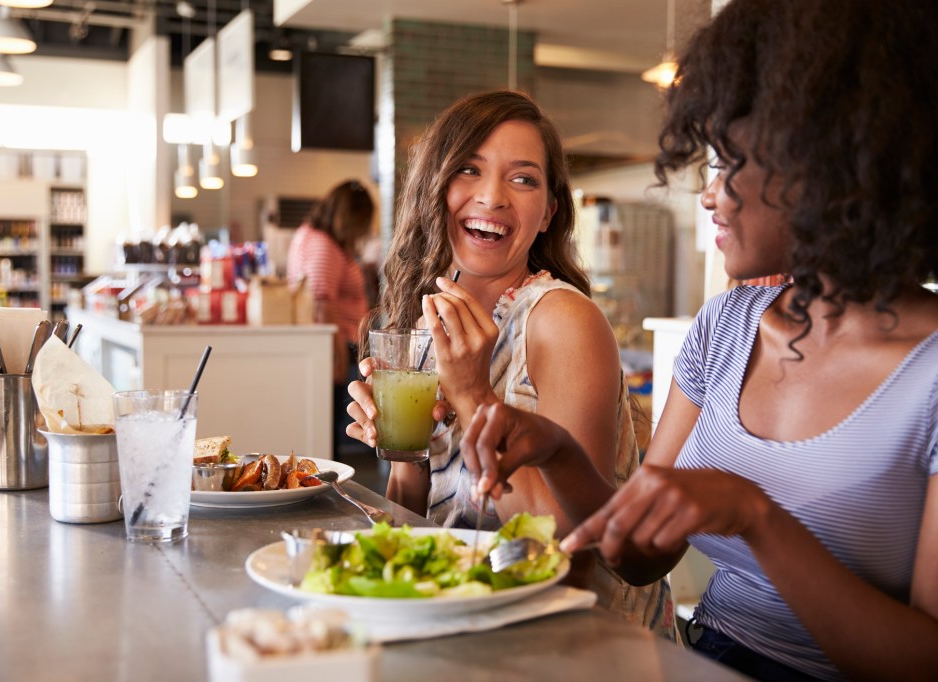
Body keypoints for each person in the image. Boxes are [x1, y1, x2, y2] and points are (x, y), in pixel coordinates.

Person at [459, 1, 938, 680]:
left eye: (727, 163)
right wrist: (559, 451)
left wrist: (755, 516)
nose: (708, 196)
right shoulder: (727, 325)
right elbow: (638, 554)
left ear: (829, 163)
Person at [344, 90, 678, 639]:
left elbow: (569, 548)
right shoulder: (427, 321)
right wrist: (403, 448)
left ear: (548, 212)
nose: (492, 196)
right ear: (436, 187)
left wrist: (475, 396)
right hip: (466, 624)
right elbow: (420, 520)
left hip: (582, 640)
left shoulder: (563, 320)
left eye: (522, 179)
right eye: (469, 170)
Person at [286, 179, 375, 455]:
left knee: (331, 428)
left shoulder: (313, 236)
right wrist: (336, 360)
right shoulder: (323, 245)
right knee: (332, 430)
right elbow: (323, 305)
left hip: (335, 347)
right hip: (335, 348)